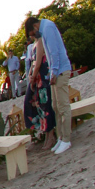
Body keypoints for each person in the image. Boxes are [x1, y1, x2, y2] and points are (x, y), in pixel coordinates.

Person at [26, 16, 74, 154]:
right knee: (55, 106)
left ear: (34, 27)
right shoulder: (44, 28)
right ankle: (61, 137)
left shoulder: (47, 28)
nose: (34, 36)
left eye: (32, 34)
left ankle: (66, 139)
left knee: (63, 105)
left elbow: (54, 52)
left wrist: (53, 72)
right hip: (54, 72)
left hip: (60, 70)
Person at [24, 39, 57, 148]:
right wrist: (30, 75)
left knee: (46, 107)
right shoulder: (33, 45)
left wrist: (32, 77)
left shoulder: (41, 42)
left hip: (42, 77)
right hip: (37, 78)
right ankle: (47, 134)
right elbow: (33, 63)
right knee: (40, 108)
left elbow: (38, 62)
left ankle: (50, 135)